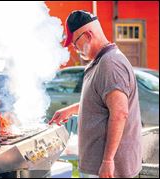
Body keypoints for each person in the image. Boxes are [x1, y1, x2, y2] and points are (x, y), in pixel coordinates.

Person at [49, 10, 142, 178]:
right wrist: (70, 110)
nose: (75, 49)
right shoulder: (100, 62)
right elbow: (102, 103)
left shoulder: (110, 64)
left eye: (75, 42)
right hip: (98, 167)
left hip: (108, 169)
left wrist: (108, 161)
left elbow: (120, 113)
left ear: (88, 35)